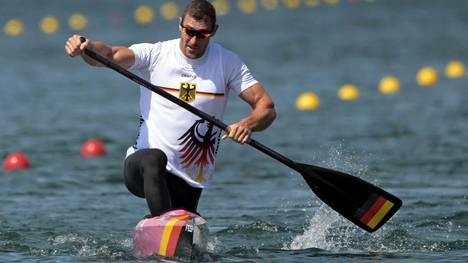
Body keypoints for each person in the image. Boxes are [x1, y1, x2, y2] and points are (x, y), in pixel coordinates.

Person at [65, 0, 276, 218]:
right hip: (143, 168)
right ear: (180, 25)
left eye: (202, 35)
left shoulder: (227, 63)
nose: (193, 41)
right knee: (154, 158)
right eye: (189, 31)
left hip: (189, 181)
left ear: (214, 32)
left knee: (187, 237)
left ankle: (167, 227)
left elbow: (266, 107)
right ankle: (164, 224)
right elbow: (108, 55)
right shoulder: (156, 54)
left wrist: (246, 124)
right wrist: (86, 48)